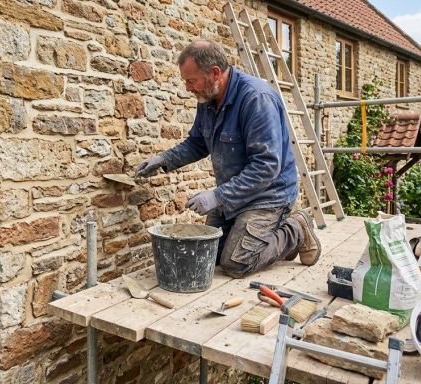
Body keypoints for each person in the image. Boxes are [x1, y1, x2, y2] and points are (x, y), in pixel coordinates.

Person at [134, 39, 320, 278]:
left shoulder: (256, 99)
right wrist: (164, 159)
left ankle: (296, 228)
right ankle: (268, 239)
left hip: (268, 196)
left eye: (191, 81)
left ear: (214, 73)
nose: (188, 88)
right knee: (207, 254)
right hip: (234, 195)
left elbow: (266, 166)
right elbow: (198, 142)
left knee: (236, 263)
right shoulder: (208, 99)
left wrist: (216, 197)